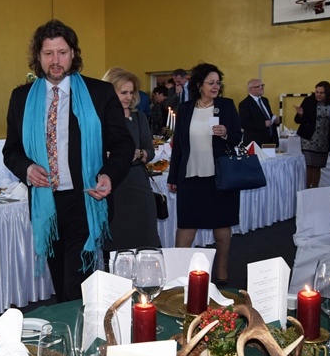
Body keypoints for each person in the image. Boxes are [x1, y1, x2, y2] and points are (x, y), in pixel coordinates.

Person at [2, 19, 134, 302]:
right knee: (61, 282)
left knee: (76, 285)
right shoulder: (21, 98)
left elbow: (123, 145)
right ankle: (72, 325)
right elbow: (11, 150)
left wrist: (109, 175)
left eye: (62, 52)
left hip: (85, 199)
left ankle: (81, 325)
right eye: (48, 53)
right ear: (38, 57)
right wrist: (26, 168)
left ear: (73, 53)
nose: (56, 60)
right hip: (46, 205)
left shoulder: (99, 93)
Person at [167, 63, 241, 285]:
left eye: (218, 83)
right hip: (190, 175)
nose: (215, 86)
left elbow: (237, 137)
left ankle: (222, 271)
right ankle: (178, 273)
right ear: (199, 85)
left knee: (222, 223)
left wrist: (226, 133)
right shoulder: (186, 108)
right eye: (211, 83)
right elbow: (179, 145)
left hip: (220, 176)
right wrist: (173, 176)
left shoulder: (226, 106)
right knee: (186, 224)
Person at [101, 67, 161, 252]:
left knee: (145, 236)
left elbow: (150, 151)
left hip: (137, 182)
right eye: (123, 92)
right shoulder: (100, 119)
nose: (128, 97)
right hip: (113, 184)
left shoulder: (138, 117)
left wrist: (140, 153)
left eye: (131, 92)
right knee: (117, 238)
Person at [293, 81, 330, 188]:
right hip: (309, 138)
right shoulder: (308, 101)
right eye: (317, 92)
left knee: (317, 166)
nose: (318, 95)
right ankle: (306, 189)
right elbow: (297, 120)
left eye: (321, 93)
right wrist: (300, 114)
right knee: (309, 165)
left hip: (324, 139)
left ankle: (314, 189)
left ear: (327, 93)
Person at [239, 79, 280, 147]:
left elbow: (267, 115)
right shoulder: (244, 104)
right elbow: (244, 124)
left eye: (262, 85)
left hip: (270, 140)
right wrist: (263, 124)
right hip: (255, 142)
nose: (262, 88)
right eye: (258, 86)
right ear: (251, 89)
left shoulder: (265, 100)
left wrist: (276, 120)